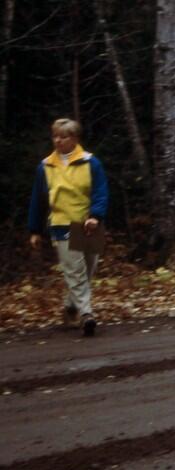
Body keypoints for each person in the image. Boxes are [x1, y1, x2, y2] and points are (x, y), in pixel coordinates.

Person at [28, 118, 109, 337]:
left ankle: (71, 306)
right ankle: (86, 315)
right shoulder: (45, 166)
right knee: (75, 271)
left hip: (88, 223)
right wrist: (34, 230)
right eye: (55, 136)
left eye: (63, 136)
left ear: (74, 138)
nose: (58, 140)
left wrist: (96, 216)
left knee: (89, 271)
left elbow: (100, 192)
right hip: (61, 223)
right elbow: (38, 199)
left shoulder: (90, 162)